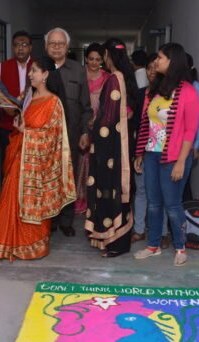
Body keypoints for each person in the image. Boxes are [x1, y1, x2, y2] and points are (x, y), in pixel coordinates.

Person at [0, 56, 76, 261]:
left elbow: (53, 138)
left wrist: (25, 132)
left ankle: (30, 245)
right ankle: (7, 244)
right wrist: (0, 95)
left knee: (30, 205)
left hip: (36, 165)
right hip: (20, 157)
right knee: (10, 202)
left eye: (34, 70)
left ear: (45, 74)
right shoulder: (28, 96)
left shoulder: (54, 102)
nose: (29, 74)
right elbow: (16, 113)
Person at [133, 43, 199, 266]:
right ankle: (153, 245)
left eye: (160, 57)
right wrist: (141, 153)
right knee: (153, 203)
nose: (156, 61)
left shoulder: (188, 92)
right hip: (152, 154)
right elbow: (147, 124)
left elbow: (190, 131)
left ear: (172, 61)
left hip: (173, 157)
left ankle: (181, 247)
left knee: (172, 204)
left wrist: (181, 161)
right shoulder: (156, 89)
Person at [85, 39, 138, 257]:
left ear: (107, 54)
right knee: (115, 189)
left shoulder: (114, 79)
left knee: (110, 188)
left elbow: (108, 118)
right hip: (119, 143)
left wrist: (94, 128)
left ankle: (116, 242)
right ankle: (113, 239)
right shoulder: (123, 77)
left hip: (111, 147)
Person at [45, 27, 92, 237]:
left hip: (71, 136)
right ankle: (49, 219)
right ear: (46, 46)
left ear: (67, 46)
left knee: (67, 178)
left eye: (61, 43)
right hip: (45, 137)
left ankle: (66, 220)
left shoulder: (78, 70)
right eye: (52, 43)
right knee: (48, 179)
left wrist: (85, 132)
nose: (56, 47)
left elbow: (86, 106)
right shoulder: (39, 68)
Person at [132, 53, 170, 248]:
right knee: (141, 190)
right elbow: (137, 125)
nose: (152, 71)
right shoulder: (140, 94)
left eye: (156, 66)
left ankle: (163, 233)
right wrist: (137, 152)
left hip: (163, 151)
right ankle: (139, 230)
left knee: (161, 193)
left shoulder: (168, 94)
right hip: (143, 149)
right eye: (149, 67)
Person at [75, 43, 108, 214]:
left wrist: (99, 119)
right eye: (91, 59)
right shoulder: (79, 75)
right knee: (81, 161)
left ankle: (95, 199)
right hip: (81, 122)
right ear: (86, 59)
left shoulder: (107, 78)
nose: (94, 62)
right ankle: (81, 198)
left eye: (98, 59)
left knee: (97, 161)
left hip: (101, 124)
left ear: (102, 60)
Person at [0, 31, 33, 177]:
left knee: (29, 164)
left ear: (30, 47)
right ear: (13, 47)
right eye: (17, 45)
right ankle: (7, 190)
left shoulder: (37, 66)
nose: (20, 48)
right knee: (8, 164)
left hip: (31, 125)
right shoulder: (3, 66)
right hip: (8, 125)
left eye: (24, 44)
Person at [183, 52, 199, 201]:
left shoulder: (195, 88)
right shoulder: (175, 86)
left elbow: (196, 120)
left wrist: (196, 145)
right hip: (174, 143)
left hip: (188, 142)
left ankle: (187, 214)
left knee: (183, 186)